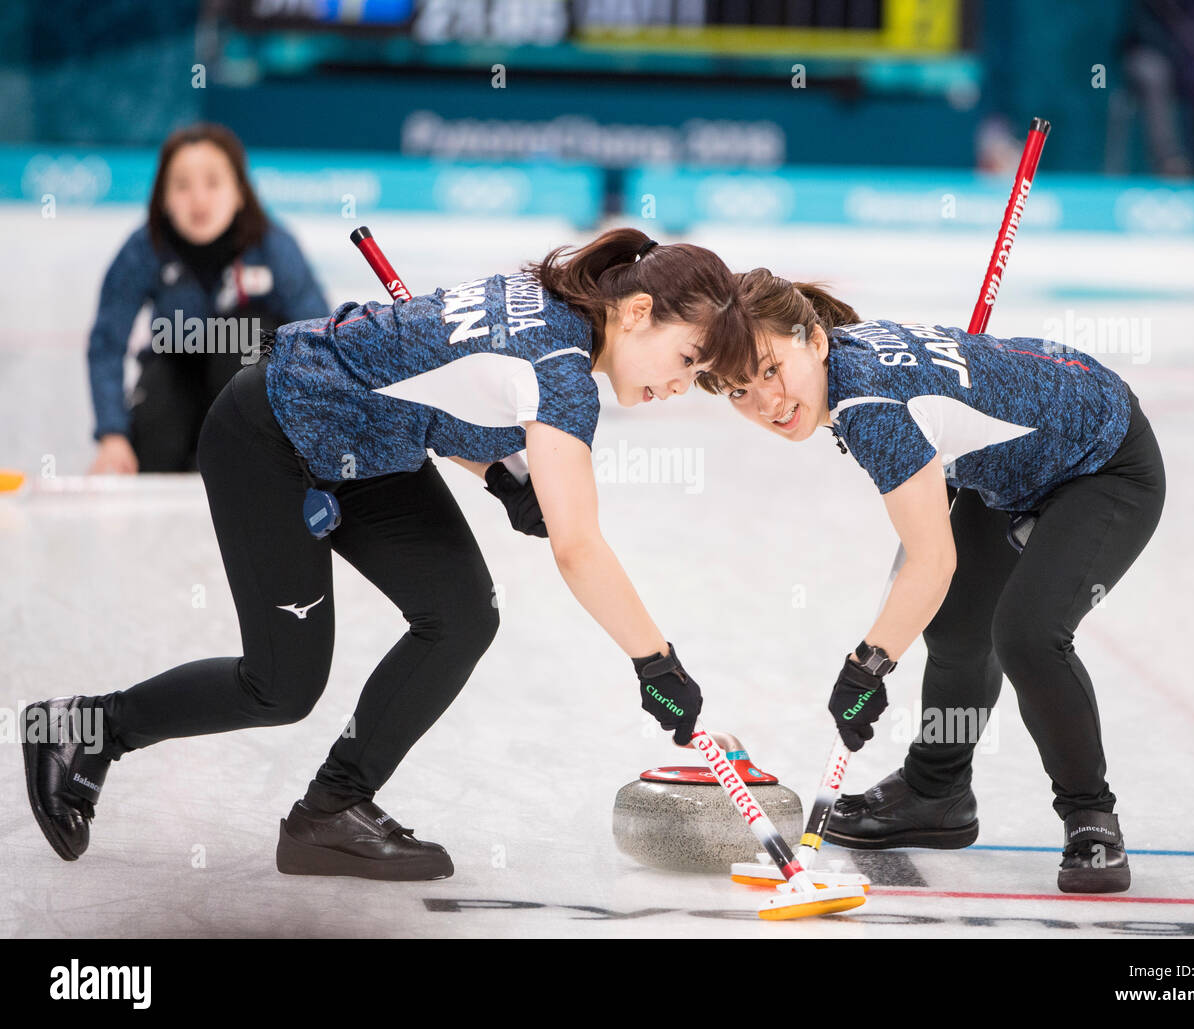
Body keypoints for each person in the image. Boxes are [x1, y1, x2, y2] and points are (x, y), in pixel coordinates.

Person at [25, 229, 751, 881]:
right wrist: (657, 664)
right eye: (687, 358)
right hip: (272, 435)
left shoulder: (547, 306)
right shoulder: (563, 371)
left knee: (462, 612)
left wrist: (500, 475)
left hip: (365, 445)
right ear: (636, 312)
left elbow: (436, 388)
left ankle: (332, 809)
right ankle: (89, 726)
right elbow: (578, 545)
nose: (681, 386)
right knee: (281, 685)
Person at [699, 270, 1165, 893]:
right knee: (957, 626)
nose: (766, 403)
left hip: (1104, 461)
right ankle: (935, 791)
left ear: (813, 338)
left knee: (1028, 633)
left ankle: (1090, 820)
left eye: (769, 370)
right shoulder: (848, 362)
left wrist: (867, 668)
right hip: (1015, 467)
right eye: (737, 391)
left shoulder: (869, 407)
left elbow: (930, 562)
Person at [88, 122, 328, 474]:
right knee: (155, 446)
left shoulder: (274, 246)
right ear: (163, 197)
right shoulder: (143, 250)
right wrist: (112, 434)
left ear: (240, 192)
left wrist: (315, 428)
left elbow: (317, 338)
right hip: (176, 370)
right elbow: (107, 344)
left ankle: (253, 458)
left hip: (249, 383)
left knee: (244, 335)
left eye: (213, 183)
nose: (198, 199)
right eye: (182, 186)